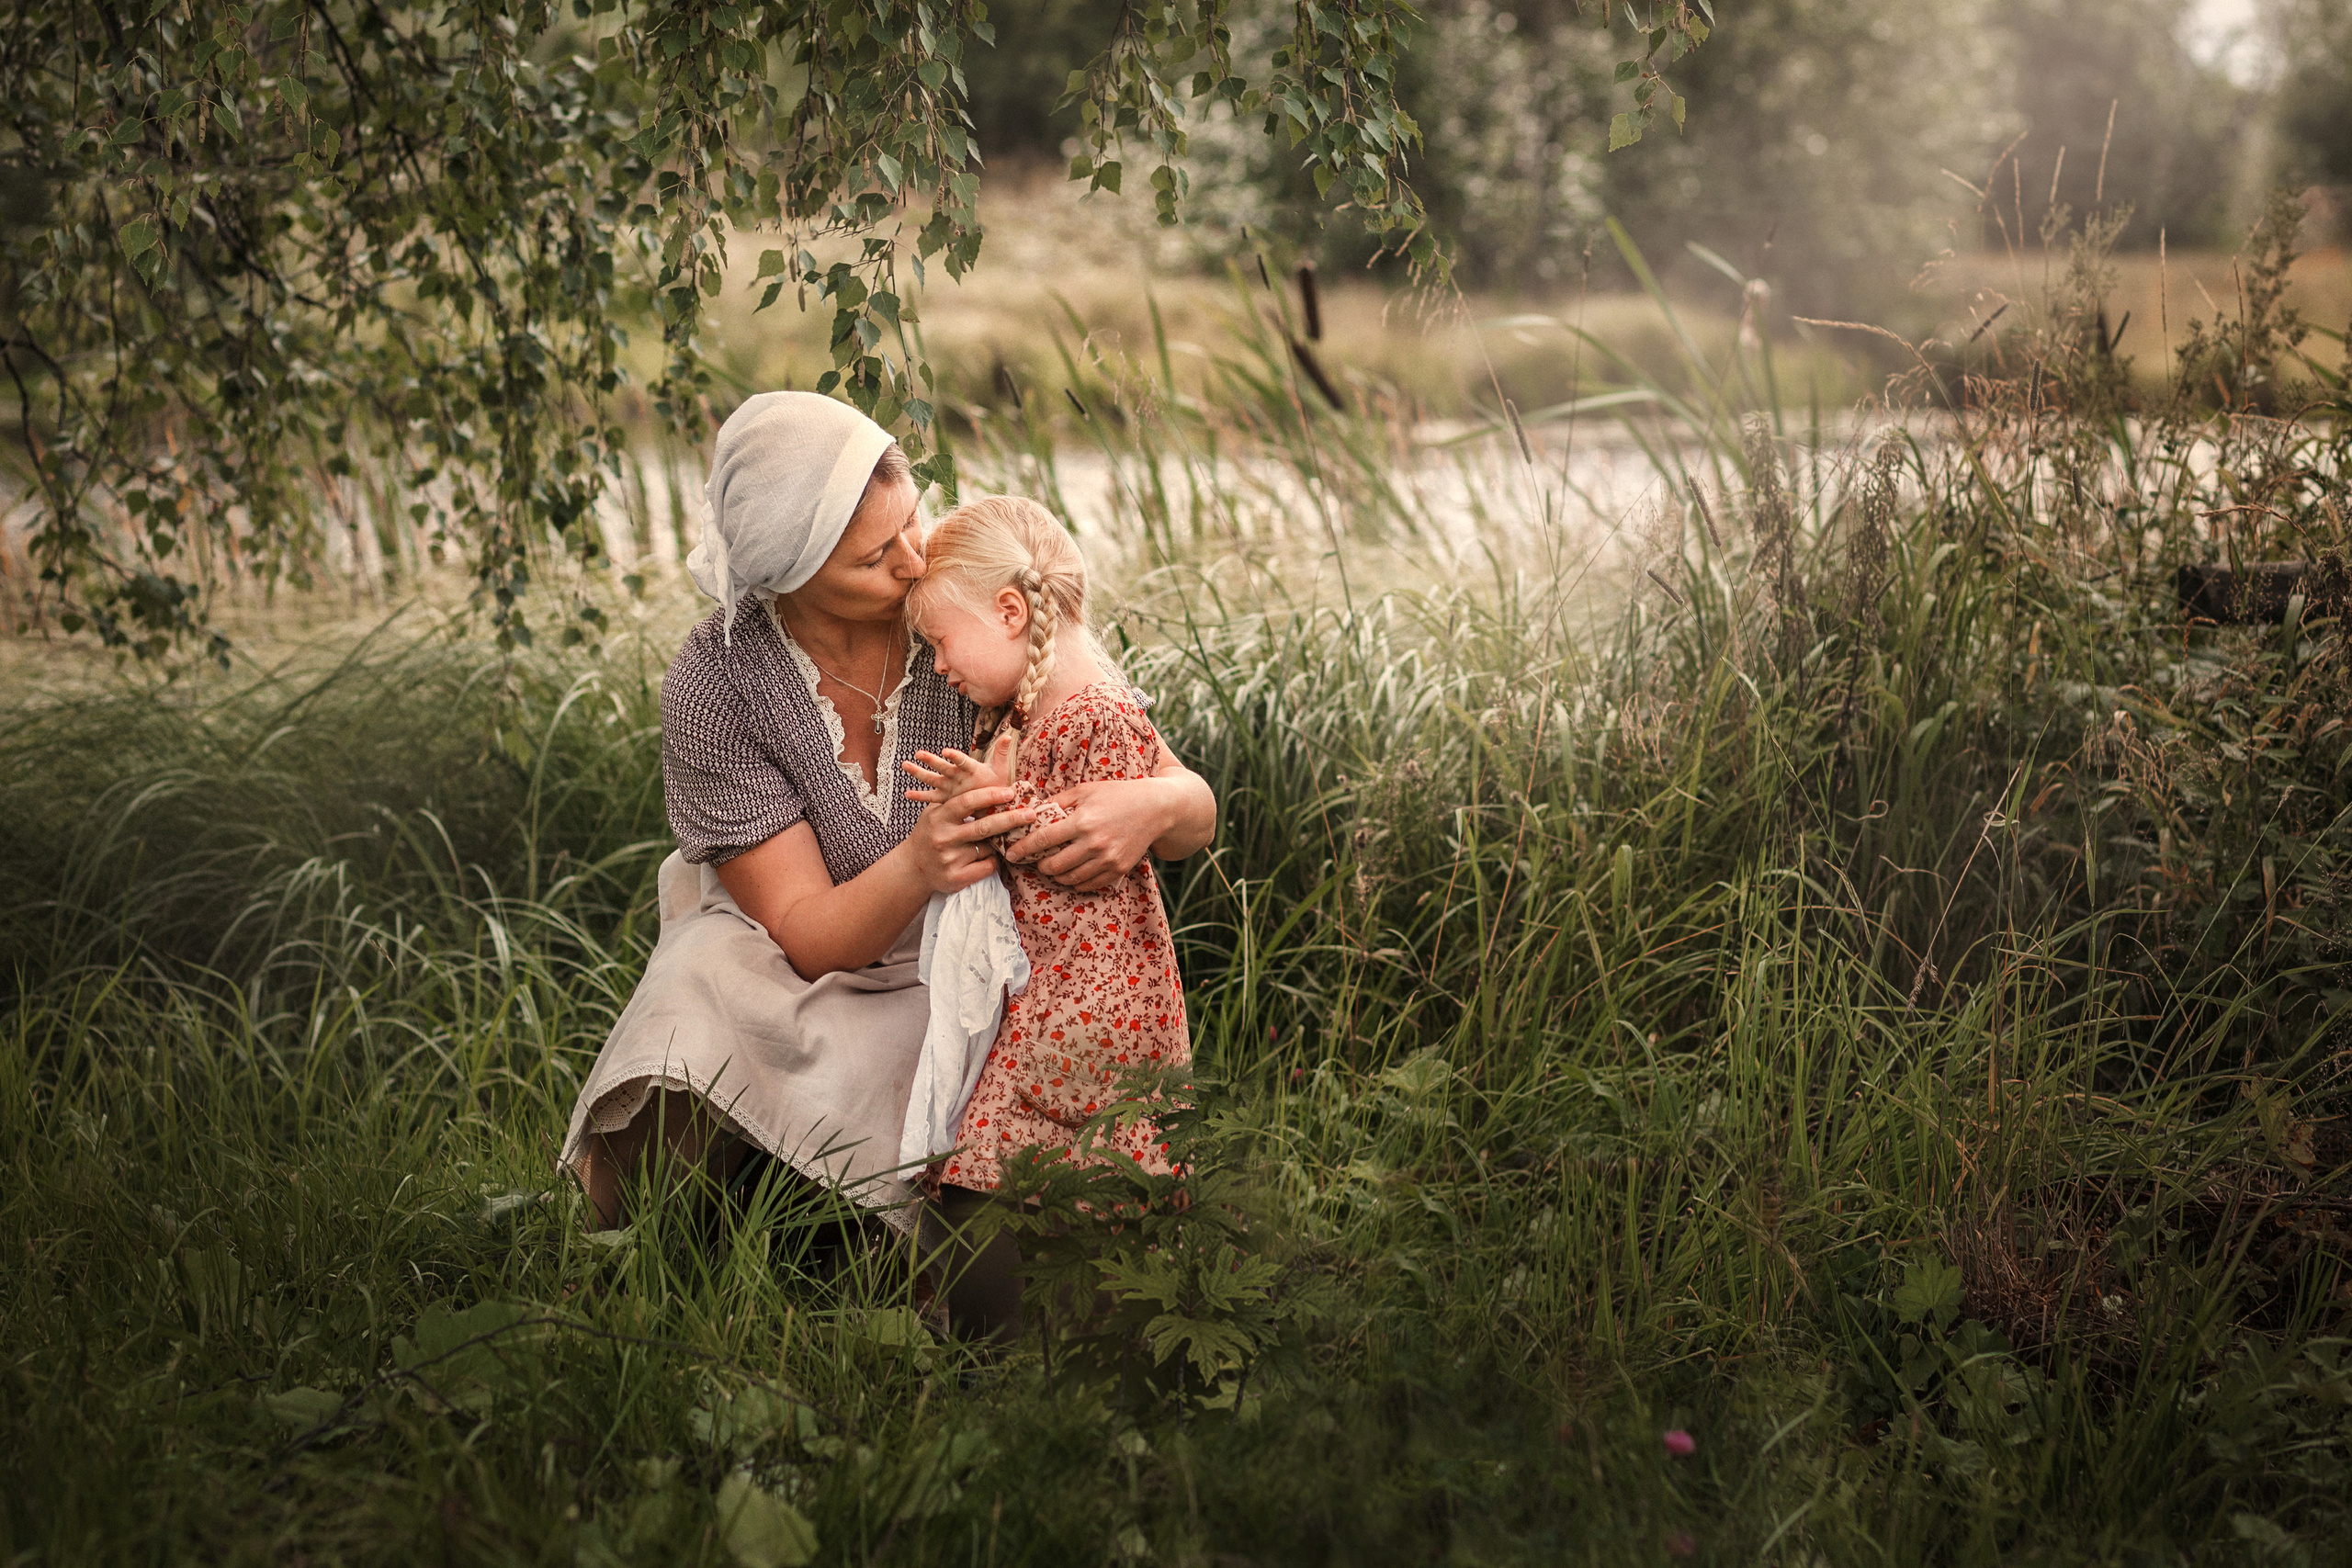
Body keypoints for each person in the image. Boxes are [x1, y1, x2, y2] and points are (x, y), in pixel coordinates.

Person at [558, 393, 1216, 1263]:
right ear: (788, 576)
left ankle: (857, 1227)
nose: (914, 560)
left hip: (960, 955)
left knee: (973, 1047)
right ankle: (645, 1237)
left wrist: (1155, 805)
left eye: (912, 523)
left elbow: (1177, 794)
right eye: (877, 555)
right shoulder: (719, 684)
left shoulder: (966, 601)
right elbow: (803, 934)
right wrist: (919, 858)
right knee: (697, 987)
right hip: (802, 961)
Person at [895, 497, 1195, 1339]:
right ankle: (1034, 1345)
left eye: (940, 643)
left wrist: (985, 804)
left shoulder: (1094, 711)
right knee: (1012, 1166)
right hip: (1059, 990)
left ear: (1011, 611)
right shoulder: (1034, 710)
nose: (938, 666)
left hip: (1093, 1000)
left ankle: (996, 1353)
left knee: (985, 1174)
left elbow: (1069, 842)